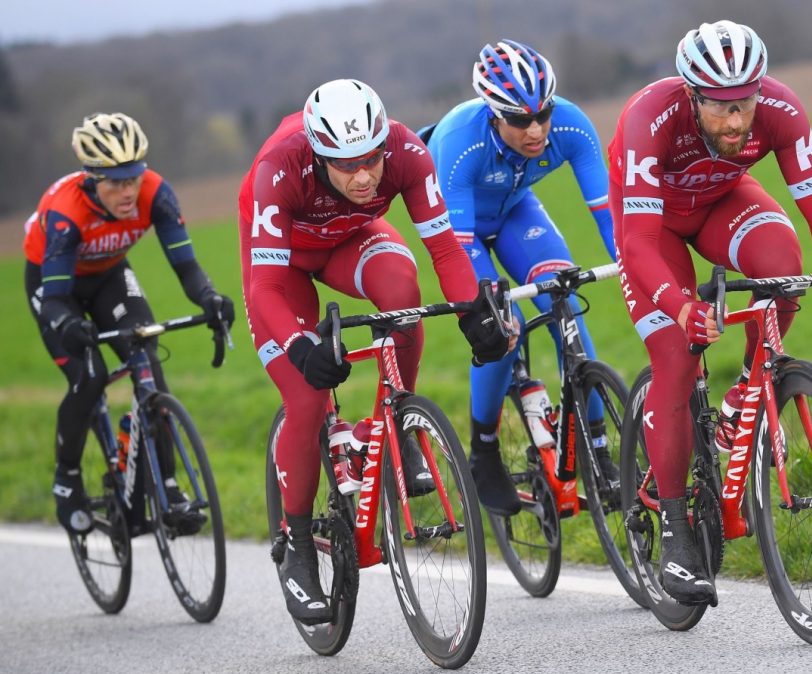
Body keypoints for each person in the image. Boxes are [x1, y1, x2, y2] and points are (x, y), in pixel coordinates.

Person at [609, 20, 812, 605]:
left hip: (721, 206)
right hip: (653, 229)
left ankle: (747, 391)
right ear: (692, 95)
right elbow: (637, 242)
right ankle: (673, 531)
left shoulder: (782, 111)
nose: (736, 122)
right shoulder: (650, 117)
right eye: (720, 109)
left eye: (744, 104)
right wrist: (682, 307)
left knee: (782, 263)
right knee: (675, 357)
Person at [239, 78, 511, 624]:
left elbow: (444, 249)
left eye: (371, 160)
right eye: (346, 165)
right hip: (282, 266)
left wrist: (471, 311)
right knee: (308, 399)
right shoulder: (280, 167)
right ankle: (296, 547)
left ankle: (398, 424)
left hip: (350, 240)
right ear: (319, 155)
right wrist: (298, 346)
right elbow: (263, 289)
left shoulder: (409, 152)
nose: (363, 176)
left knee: (401, 290)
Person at [423, 39, 618, 517]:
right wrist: (485, 310)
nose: (536, 130)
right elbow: (457, 246)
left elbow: (611, 215)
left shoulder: (570, 124)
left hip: (515, 213)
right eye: (519, 120)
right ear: (493, 115)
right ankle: (483, 447)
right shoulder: (458, 142)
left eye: (542, 114)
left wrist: (636, 269)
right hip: (462, 231)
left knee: (564, 305)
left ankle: (600, 452)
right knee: (499, 326)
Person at [23, 112, 235, 536]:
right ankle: (67, 480)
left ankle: (169, 486)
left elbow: (187, 267)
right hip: (55, 285)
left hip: (109, 276)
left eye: (133, 178)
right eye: (115, 182)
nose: (127, 191)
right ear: (91, 178)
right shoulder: (66, 211)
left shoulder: (156, 193)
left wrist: (210, 298)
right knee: (89, 375)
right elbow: (57, 298)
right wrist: (67, 323)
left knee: (146, 355)